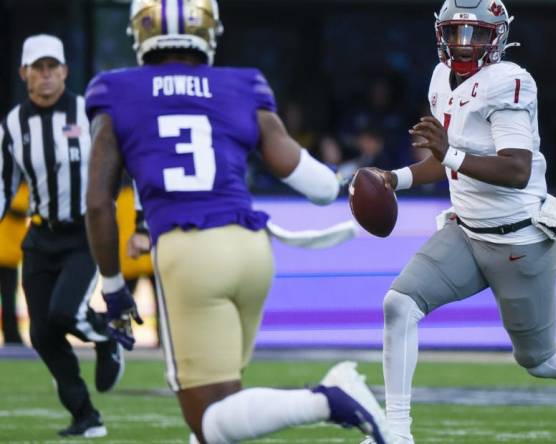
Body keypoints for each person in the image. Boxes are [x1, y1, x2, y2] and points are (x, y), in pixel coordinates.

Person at [83, 1, 391, 443]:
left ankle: (328, 398)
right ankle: (330, 397)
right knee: (223, 400)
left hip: (190, 252)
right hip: (252, 250)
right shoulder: (240, 84)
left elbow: (97, 202)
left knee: (208, 420)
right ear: (208, 29)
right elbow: (320, 187)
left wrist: (112, 289)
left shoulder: (116, 89)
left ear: (141, 31)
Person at [361, 1, 556, 442]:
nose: (463, 45)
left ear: (498, 37)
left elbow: (515, 169)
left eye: (476, 34)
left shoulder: (510, 82)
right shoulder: (438, 79)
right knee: (399, 305)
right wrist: (395, 178)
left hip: (517, 240)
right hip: (465, 232)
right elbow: (450, 161)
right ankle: (396, 433)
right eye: (456, 32)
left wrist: (449, 154)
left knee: (540, 359)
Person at [0, 34, 123, 438]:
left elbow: (127, 164)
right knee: (41, 333)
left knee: (64, 314)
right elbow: (4, 184)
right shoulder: (13, 125)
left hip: (84, 232)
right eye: (38, 68)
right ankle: (85, 415)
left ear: (66, 72)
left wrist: (139, 224)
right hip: (40, 236)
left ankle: (107, 338)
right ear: (24, 74)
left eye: (53, 67)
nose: (46, 75)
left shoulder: (90, 113)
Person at [0, 183, 28, 345]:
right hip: (8, 253)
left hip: (9, 254)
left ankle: (12, 335)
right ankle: (12, 336)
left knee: (10, 297)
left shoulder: (22, 189)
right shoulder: (21, 189)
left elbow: (20, 210)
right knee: (9, 296)